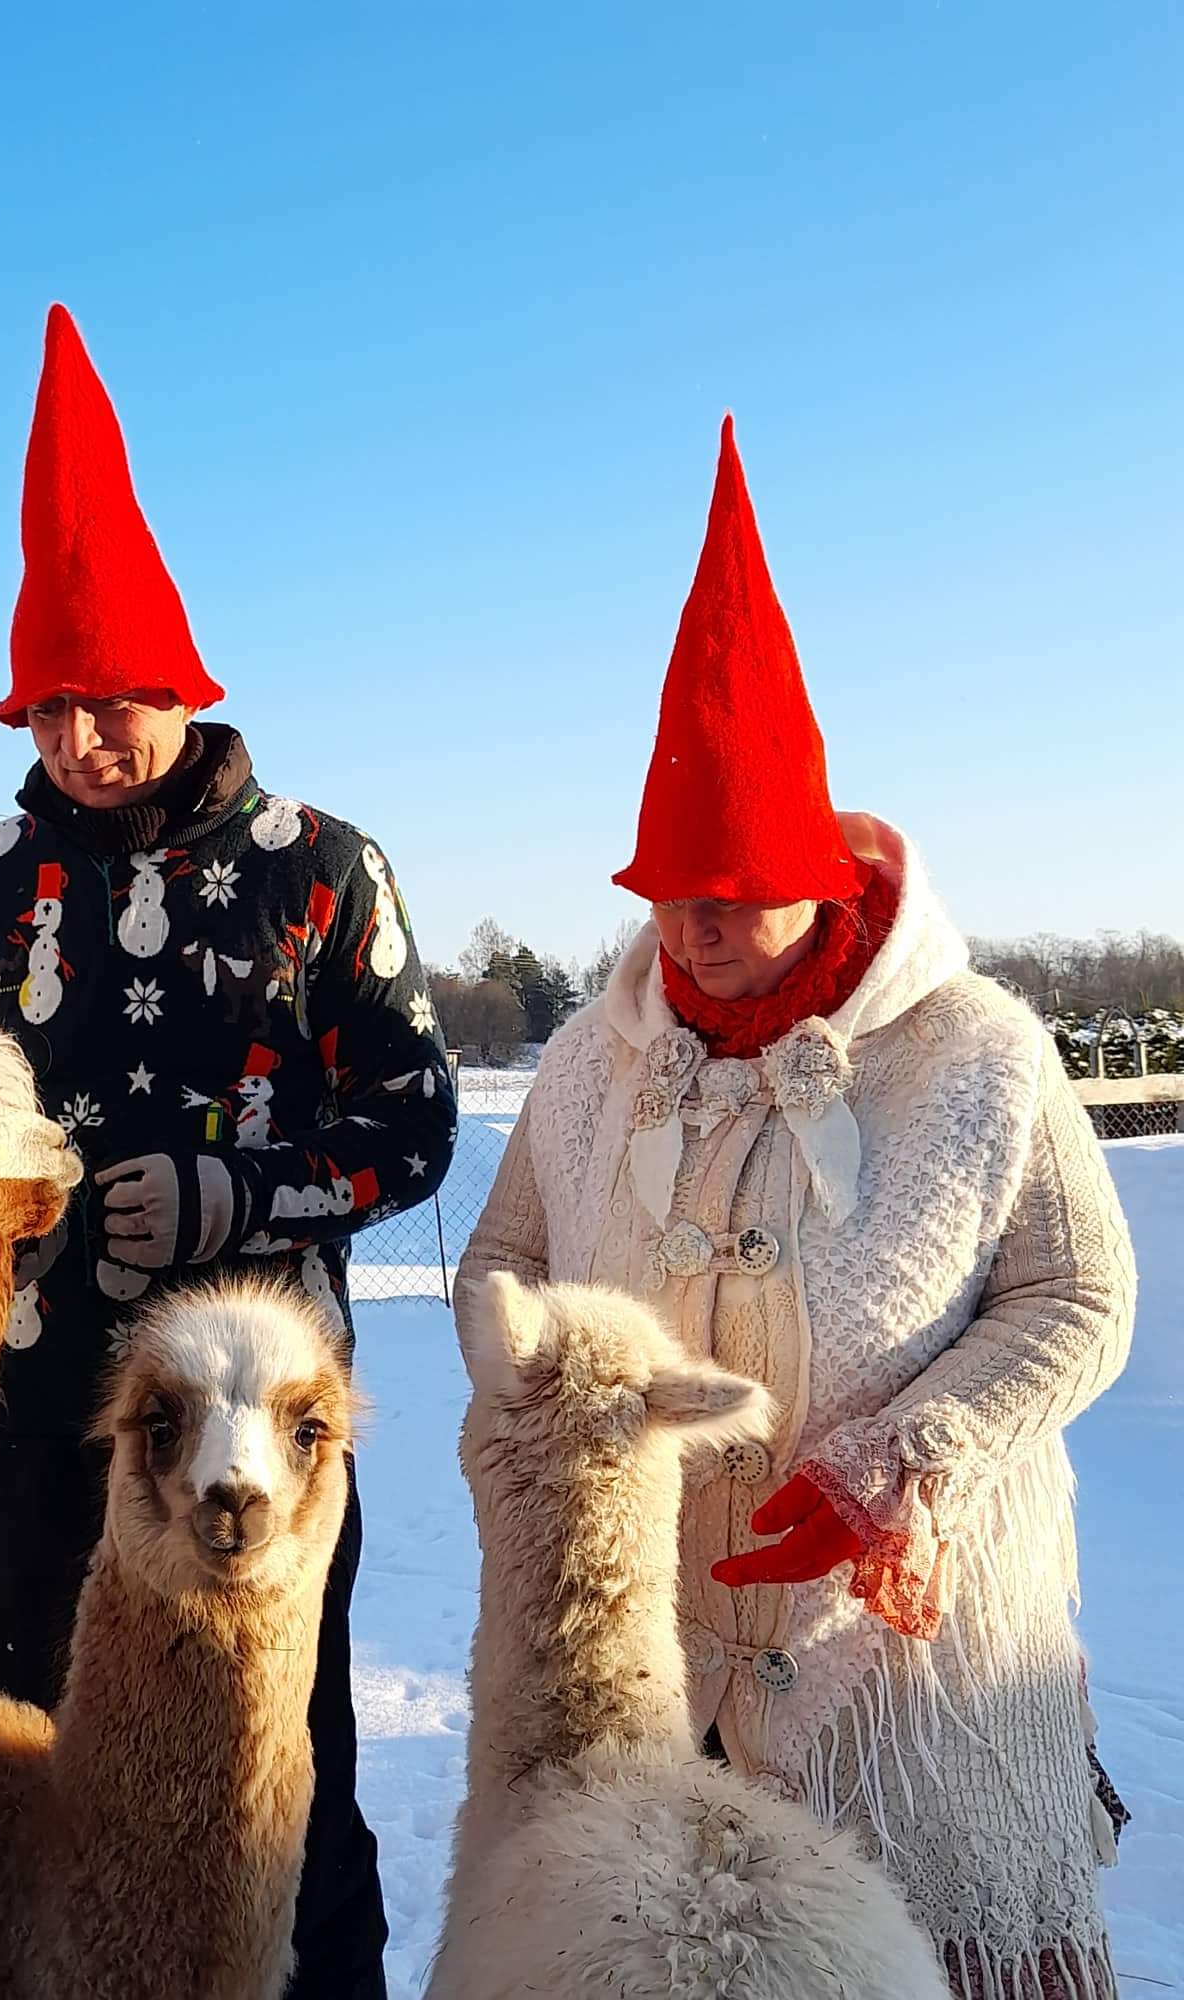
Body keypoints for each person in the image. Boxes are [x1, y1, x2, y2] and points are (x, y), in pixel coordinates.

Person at [458, 416, 1135, 1999]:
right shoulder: (583, 1068)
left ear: (822, 875)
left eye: (737, 888)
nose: (694, 928)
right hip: (658, 1672)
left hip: (916, 1674)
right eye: (666, 891)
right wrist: (532, 1416)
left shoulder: (978, 1051)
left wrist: (903, 1461)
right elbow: (505, 1261)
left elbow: (1081, 1299)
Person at [0, 304, 456, 1998]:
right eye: (52, 706)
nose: (84, 737)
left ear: (181, 681)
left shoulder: (320, 867)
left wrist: (243, 1194)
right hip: (45, 1398)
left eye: (114, 700)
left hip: (258, 1431)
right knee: (20, 1738)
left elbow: (419, 1121)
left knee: (280, 1767)